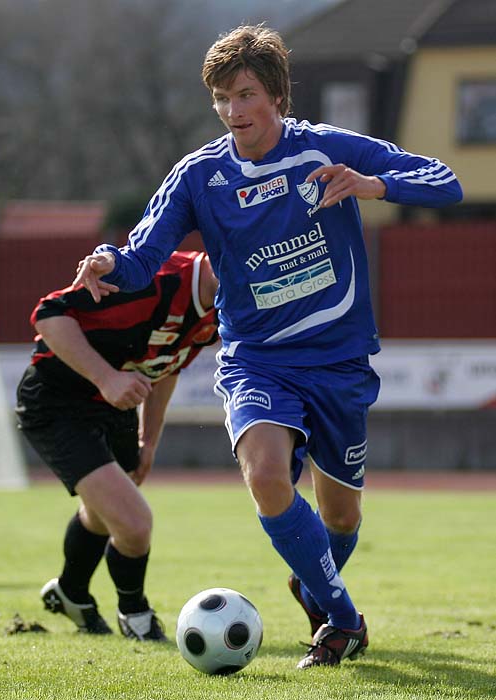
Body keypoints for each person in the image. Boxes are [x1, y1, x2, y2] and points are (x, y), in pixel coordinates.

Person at [73, 25, 463, 666]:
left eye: (245, 94)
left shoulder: (324, 150)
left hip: (339, 362)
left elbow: (444, 180)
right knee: (266, 477)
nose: (233, 112)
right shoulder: (200, 176)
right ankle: (341, 620)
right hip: (257, 360)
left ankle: (313, 579)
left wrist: (373, 186)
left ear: (276, 95)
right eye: (221, 99)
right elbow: (143, 255)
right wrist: (109, 263)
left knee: (340, 517)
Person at [16, 250, 218, 640]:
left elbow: (167, 368)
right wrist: (106, 378)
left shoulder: (226, 306)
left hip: (114, 400)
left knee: (106, 510)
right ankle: (135, 613)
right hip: (59, 400)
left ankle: (71, 592)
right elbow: (49, 314)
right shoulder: (154, 279)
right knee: (134, 523)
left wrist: (150, 440)